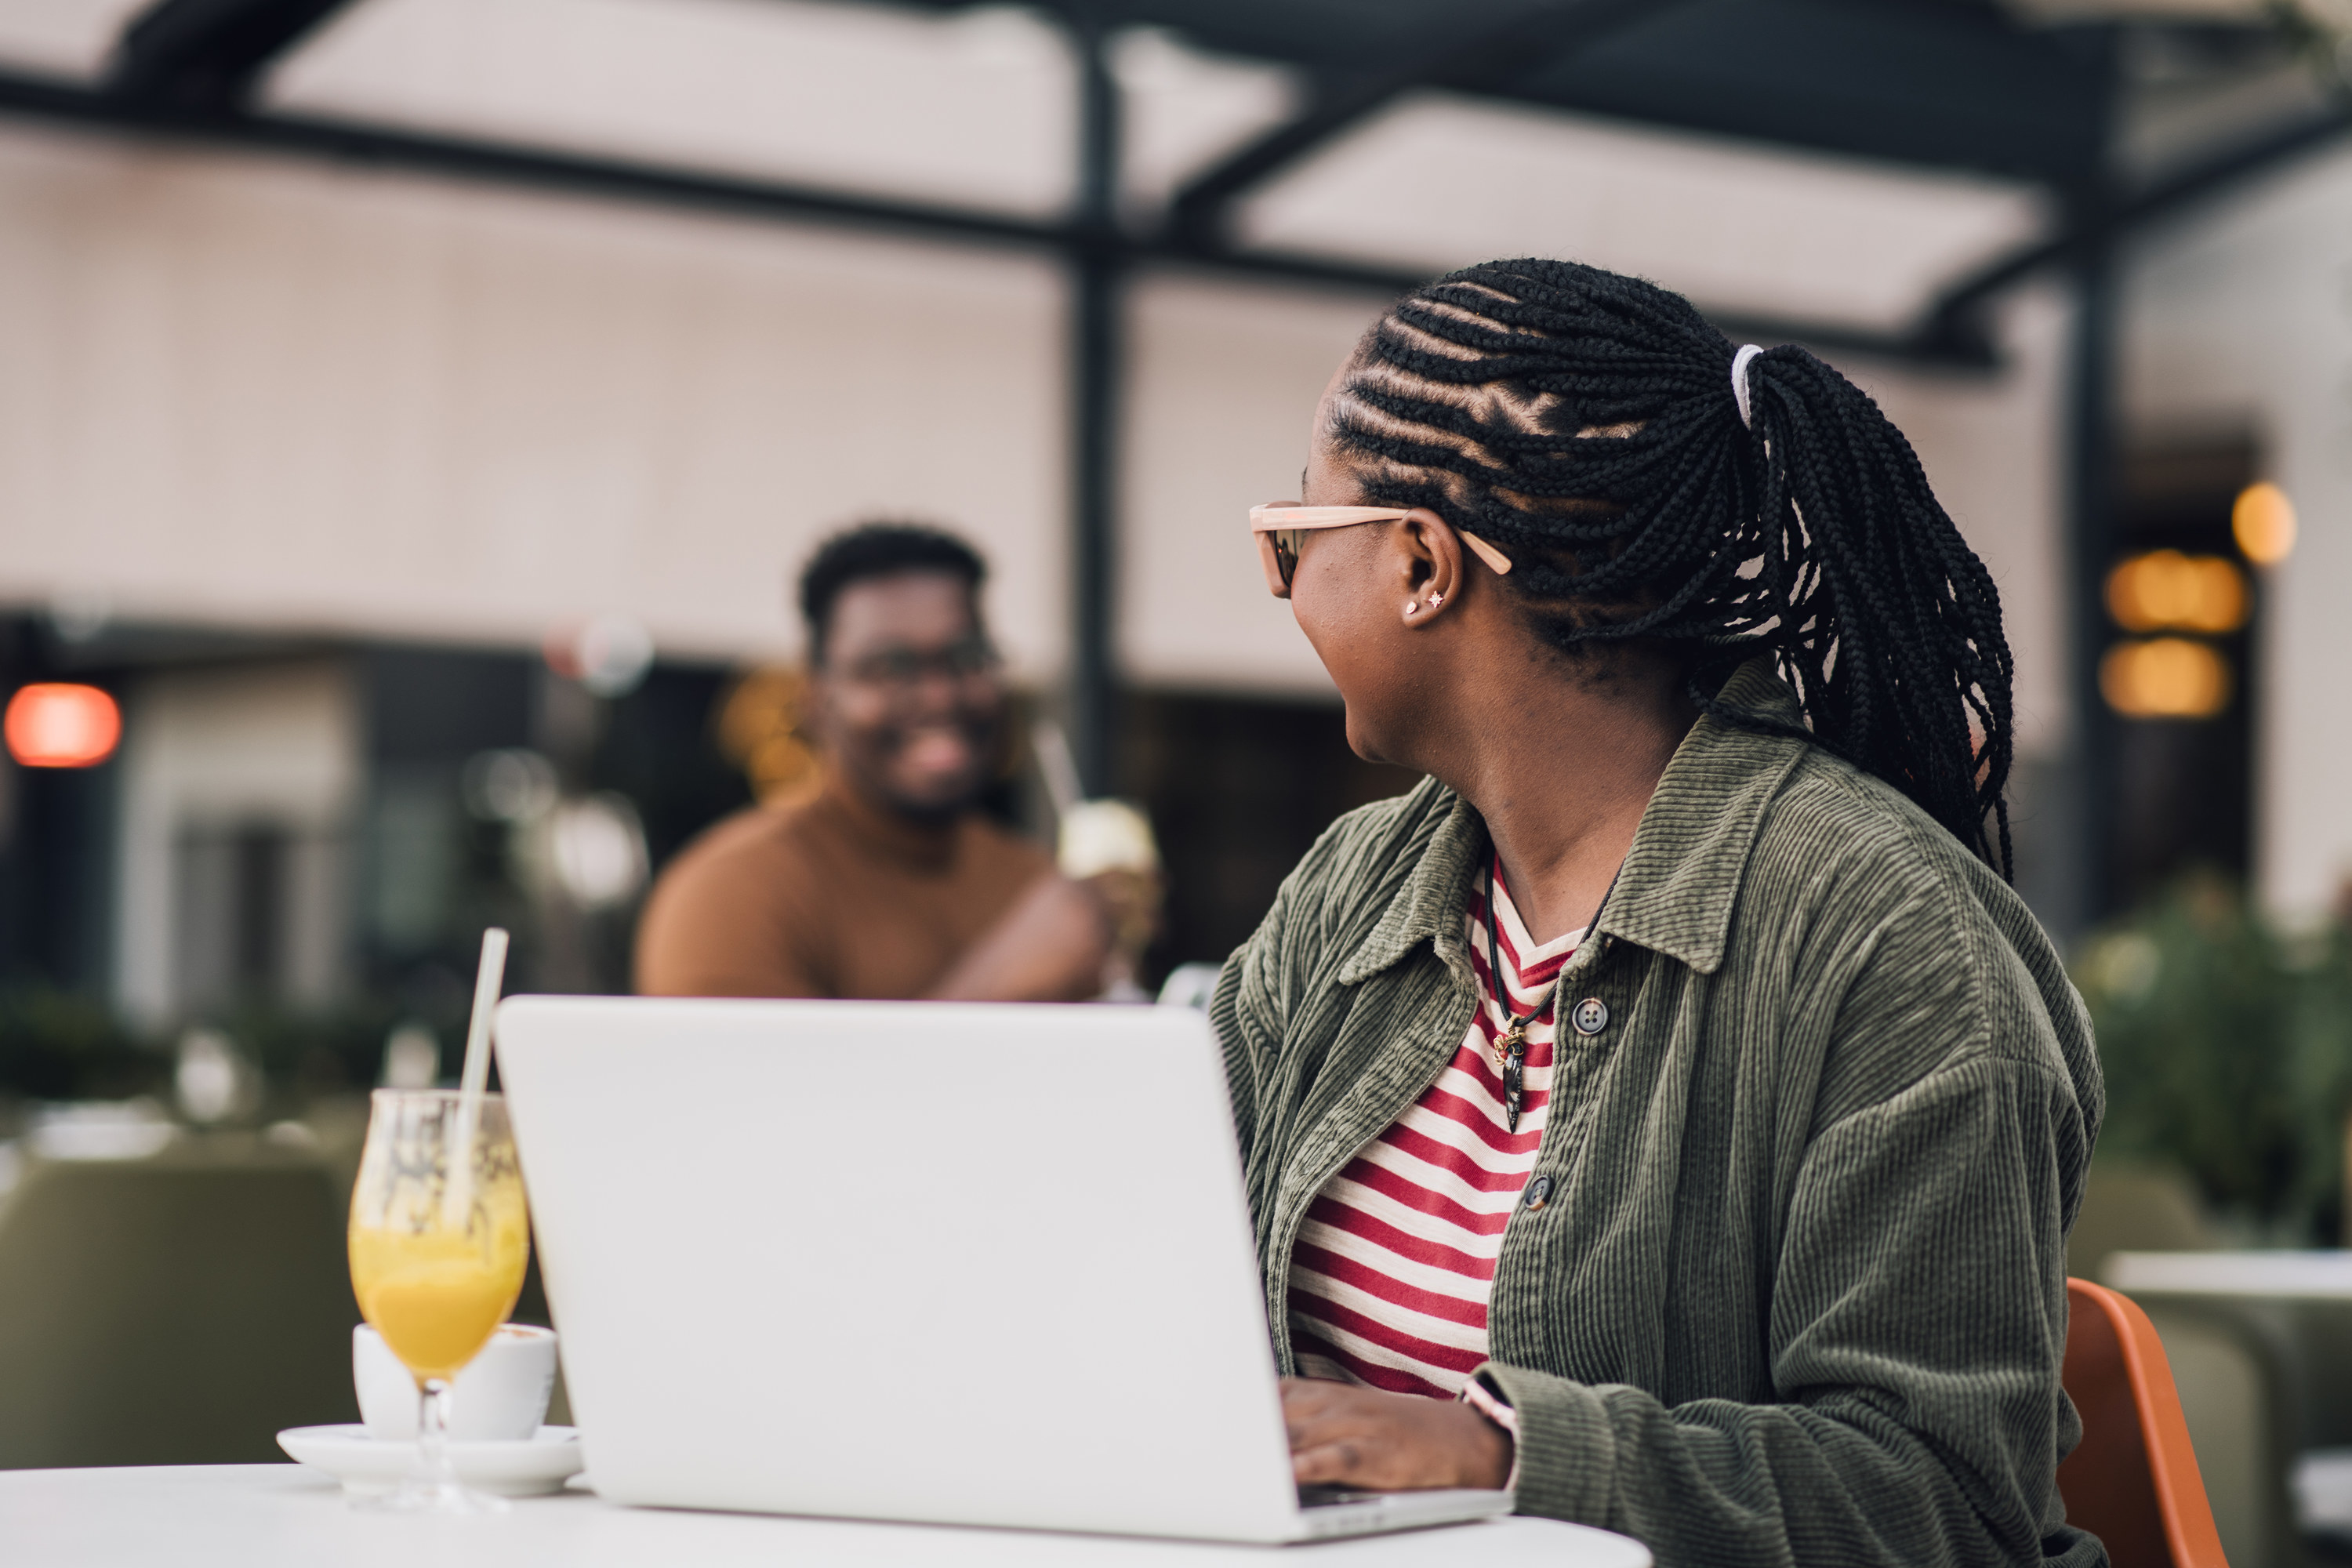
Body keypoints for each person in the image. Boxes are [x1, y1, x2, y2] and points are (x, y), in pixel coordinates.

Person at [1218, 260, 2102, 1566]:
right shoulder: (1353, 891)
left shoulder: (1897, 943)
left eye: (1294, 540)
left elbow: (1940, 1502)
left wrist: (1508, 1458)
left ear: (1420, 562)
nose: (1286, 588)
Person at [635, 524, 1114, 1001]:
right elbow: (751, 1079)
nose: (940, 696)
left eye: (966, 657)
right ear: (816, 699)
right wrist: (1000, 981)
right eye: (890, 668)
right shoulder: (733, 893)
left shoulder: (1029, 878)